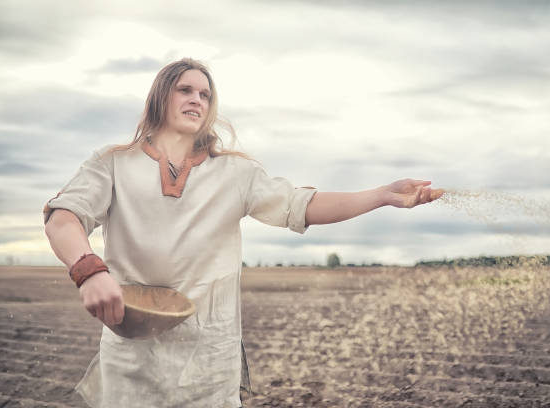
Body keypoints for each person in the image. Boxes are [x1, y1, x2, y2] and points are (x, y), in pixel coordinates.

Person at [43, 58, 443, 408]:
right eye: (185, 89)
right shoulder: (112, 163)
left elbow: (301, 205)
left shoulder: (236, 173)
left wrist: (380, 195)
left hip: (209, 361)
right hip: (130, 358)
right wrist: (89, 270)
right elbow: (64, 217)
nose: (196, 99)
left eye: (204, 94)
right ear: (159, 97)